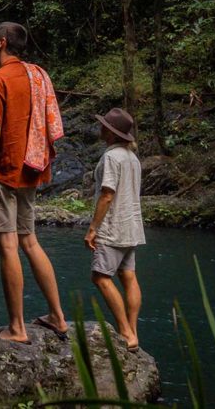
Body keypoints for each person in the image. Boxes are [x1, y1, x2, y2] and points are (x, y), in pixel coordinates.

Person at [0, 22, 68, 343]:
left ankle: (17, 328)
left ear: (1, 43)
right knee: (30, 241)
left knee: (9, 247)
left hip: (4, 170)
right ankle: (57, 316)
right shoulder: (38, 75)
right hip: (31, 168)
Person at [84, 107, 145, 352]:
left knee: (100, 277)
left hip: (113, 227)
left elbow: (107, 194)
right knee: (128, 277)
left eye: (104, 126)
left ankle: (125, 331)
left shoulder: (111, 157)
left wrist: (93, 228)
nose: (100, 129)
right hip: (131, 226)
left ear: (111, 132)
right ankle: (133, 333)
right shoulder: (132, 158)